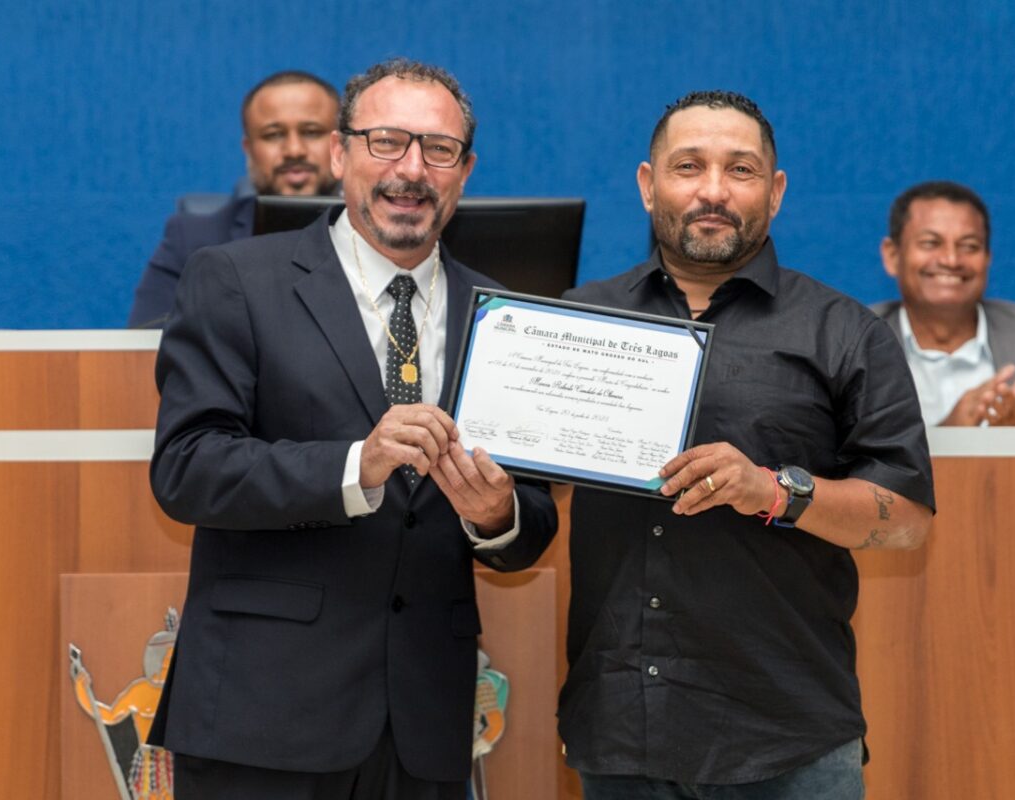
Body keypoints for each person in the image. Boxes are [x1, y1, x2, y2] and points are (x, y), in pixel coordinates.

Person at [146, 58, 557, 800]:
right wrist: (354, 466)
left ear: (464, 172)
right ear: (341, 154)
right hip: (260, 714)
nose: (411, 169)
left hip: (424, 725)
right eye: (386, 141)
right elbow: (187, 467)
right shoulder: (234, 279)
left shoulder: (506, 315)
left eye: (437, 150)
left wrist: (497, 516)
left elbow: (530, 516)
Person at [557, 91, 936, 799]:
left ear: (775, 191)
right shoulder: (580, 322)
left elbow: (909, 521)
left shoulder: (844, 333)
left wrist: (774, 491)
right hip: (620, 732)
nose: (712, 191)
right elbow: (526, 493)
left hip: (788, 739)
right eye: (688, 166)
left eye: (740, 170)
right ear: (648, 186)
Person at [127, 70, 341, 328]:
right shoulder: (192, 239)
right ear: (249, 150)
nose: (294, 150)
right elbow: (144, 344)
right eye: (273, 135)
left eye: (311, 132)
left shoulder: (379, 231)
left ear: (340, 145)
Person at [872, 181, 1015, 426]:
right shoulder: (851, 342)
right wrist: (951, 436)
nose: (951, 259)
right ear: (892, 255)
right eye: (931, 243)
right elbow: (841, 459)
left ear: (987, 258)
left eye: (969, 246)